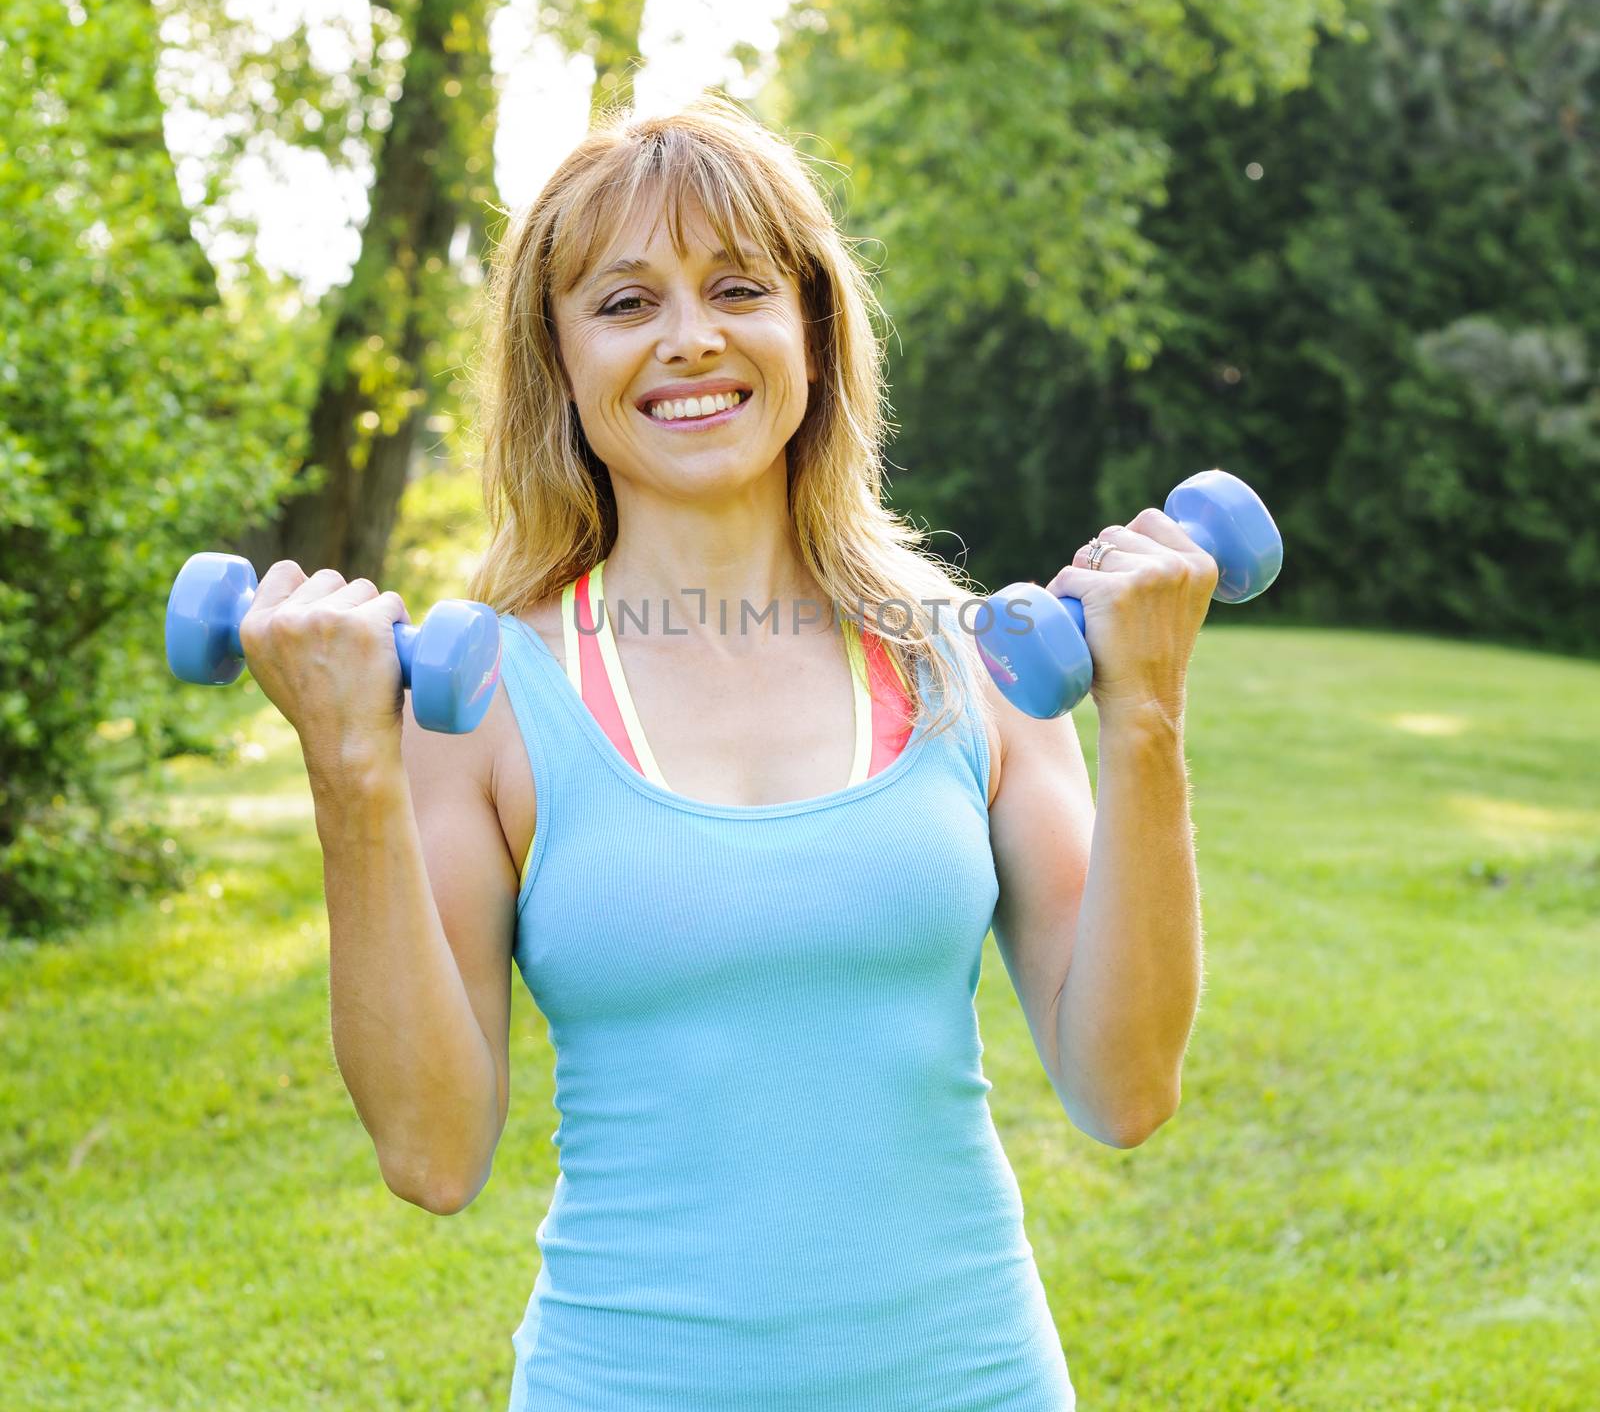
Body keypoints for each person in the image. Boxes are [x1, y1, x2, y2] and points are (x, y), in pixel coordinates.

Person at [238, 93, 1211, 1410]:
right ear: (561, 362)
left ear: (811, 332)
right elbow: (432, 1154)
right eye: (625, 303)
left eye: (737, 287)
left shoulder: (971, 666)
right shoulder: (484, 704)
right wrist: (349, 777)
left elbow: (1125, 1086)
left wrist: (1146, 720)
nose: (689, 340)